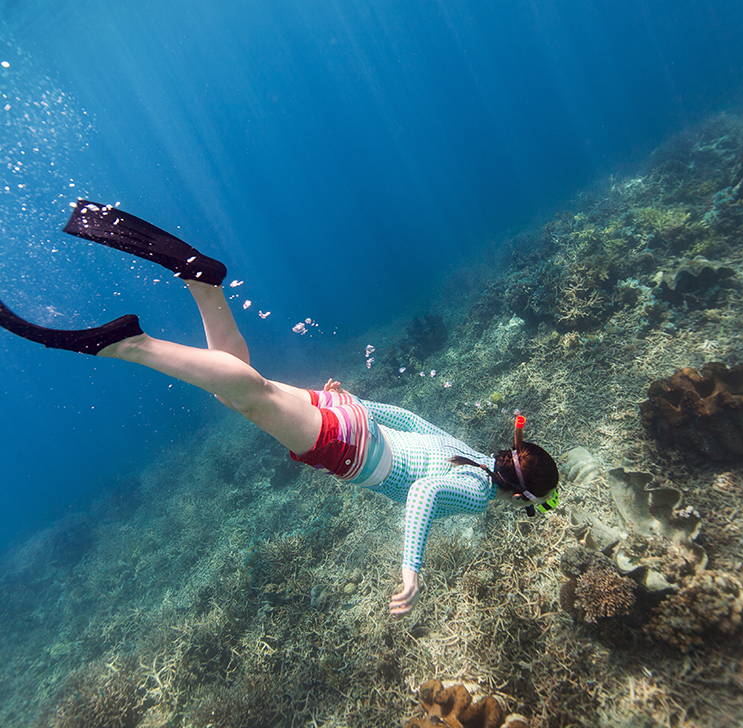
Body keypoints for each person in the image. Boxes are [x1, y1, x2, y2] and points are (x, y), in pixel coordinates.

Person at [0, 200, 560, 616]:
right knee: (251, 395)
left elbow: (411, 421)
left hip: (352, 421)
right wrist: (411, 567)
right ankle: (128, 344)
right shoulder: (480, 491)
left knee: (242, 389)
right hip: (347, 446)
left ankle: (203, 285)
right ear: (519, 494)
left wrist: (351, 401)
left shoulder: (470, 453)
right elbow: (421, 492)